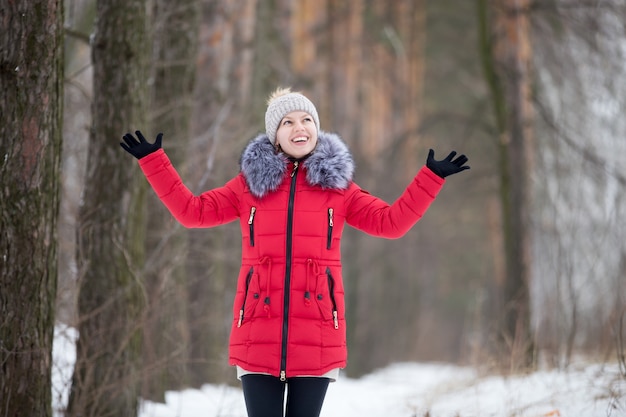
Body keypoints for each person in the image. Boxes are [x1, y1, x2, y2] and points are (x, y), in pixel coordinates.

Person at [120, 87, 469, 417]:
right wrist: (154, 162)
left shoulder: (339, 188)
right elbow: (192, 212)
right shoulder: (248, 185)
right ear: (275, 135)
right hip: (257, 329)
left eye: (306, 120)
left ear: (316, 128)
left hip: (318, 330)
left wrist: (431, 178)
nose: (298, 127)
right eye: (288, 122)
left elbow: (391, 223)